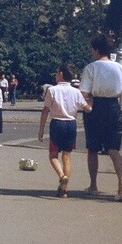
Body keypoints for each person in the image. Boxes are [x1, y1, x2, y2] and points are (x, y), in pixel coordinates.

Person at [79, 33, 122, 201]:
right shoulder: (119, 68)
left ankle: (93, 185)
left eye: (92, 49)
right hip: (114, 108)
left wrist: (87, 107)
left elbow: (84, 93)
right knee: (113, 150)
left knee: (93, 149)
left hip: (96, 108)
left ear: (96, 50)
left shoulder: (91, 68)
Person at [37, 64, 89, 198]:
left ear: (60, 74)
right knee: (67, 156)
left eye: (56, 73)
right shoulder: (76, 91)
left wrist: (41, 128)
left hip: (57, 123)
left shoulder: (52, 90)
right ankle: (64, 190)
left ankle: (62, 176)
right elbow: (87, 108)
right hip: (71, 124)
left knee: (53, 155)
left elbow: (46, 110)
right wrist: (91, 100)